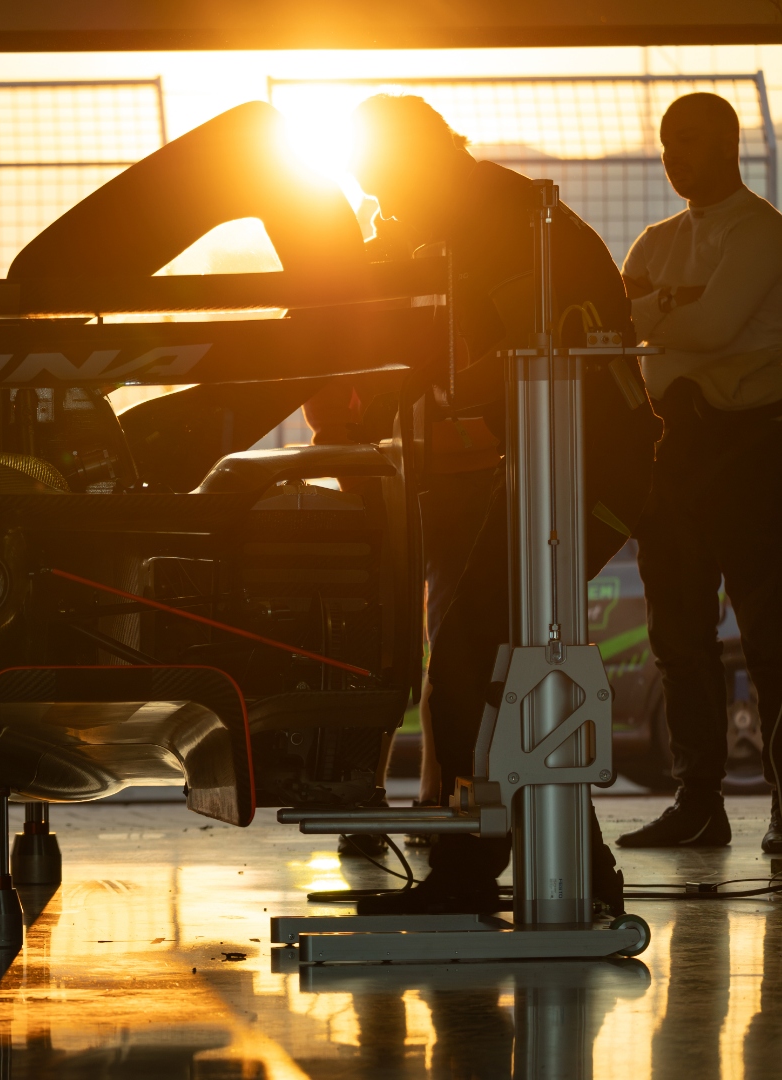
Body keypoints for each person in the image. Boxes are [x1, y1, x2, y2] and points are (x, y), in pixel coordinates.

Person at [345, 94, 661, 914]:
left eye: (376, 172)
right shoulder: (461, 215)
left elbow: (523, 354)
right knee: (508, 664)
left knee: (470, 664)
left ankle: (482, 870)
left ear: (414, 157)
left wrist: (410, 373)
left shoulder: (503, 220)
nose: (371, 191)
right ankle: (576, 867)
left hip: (591, 468)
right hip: (554, 464)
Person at [614, 92, 782, 852]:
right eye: (666, 142)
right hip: (674, 449)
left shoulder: (763, 233)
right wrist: (675, 312)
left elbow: (706, 329)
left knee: (771, 637)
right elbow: (623, 328)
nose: (672, 155)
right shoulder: (656, 239)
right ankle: (697, 803)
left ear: (728, 144)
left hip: (752, 450)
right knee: (678, 638)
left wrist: (659, 313)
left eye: (688, 141)